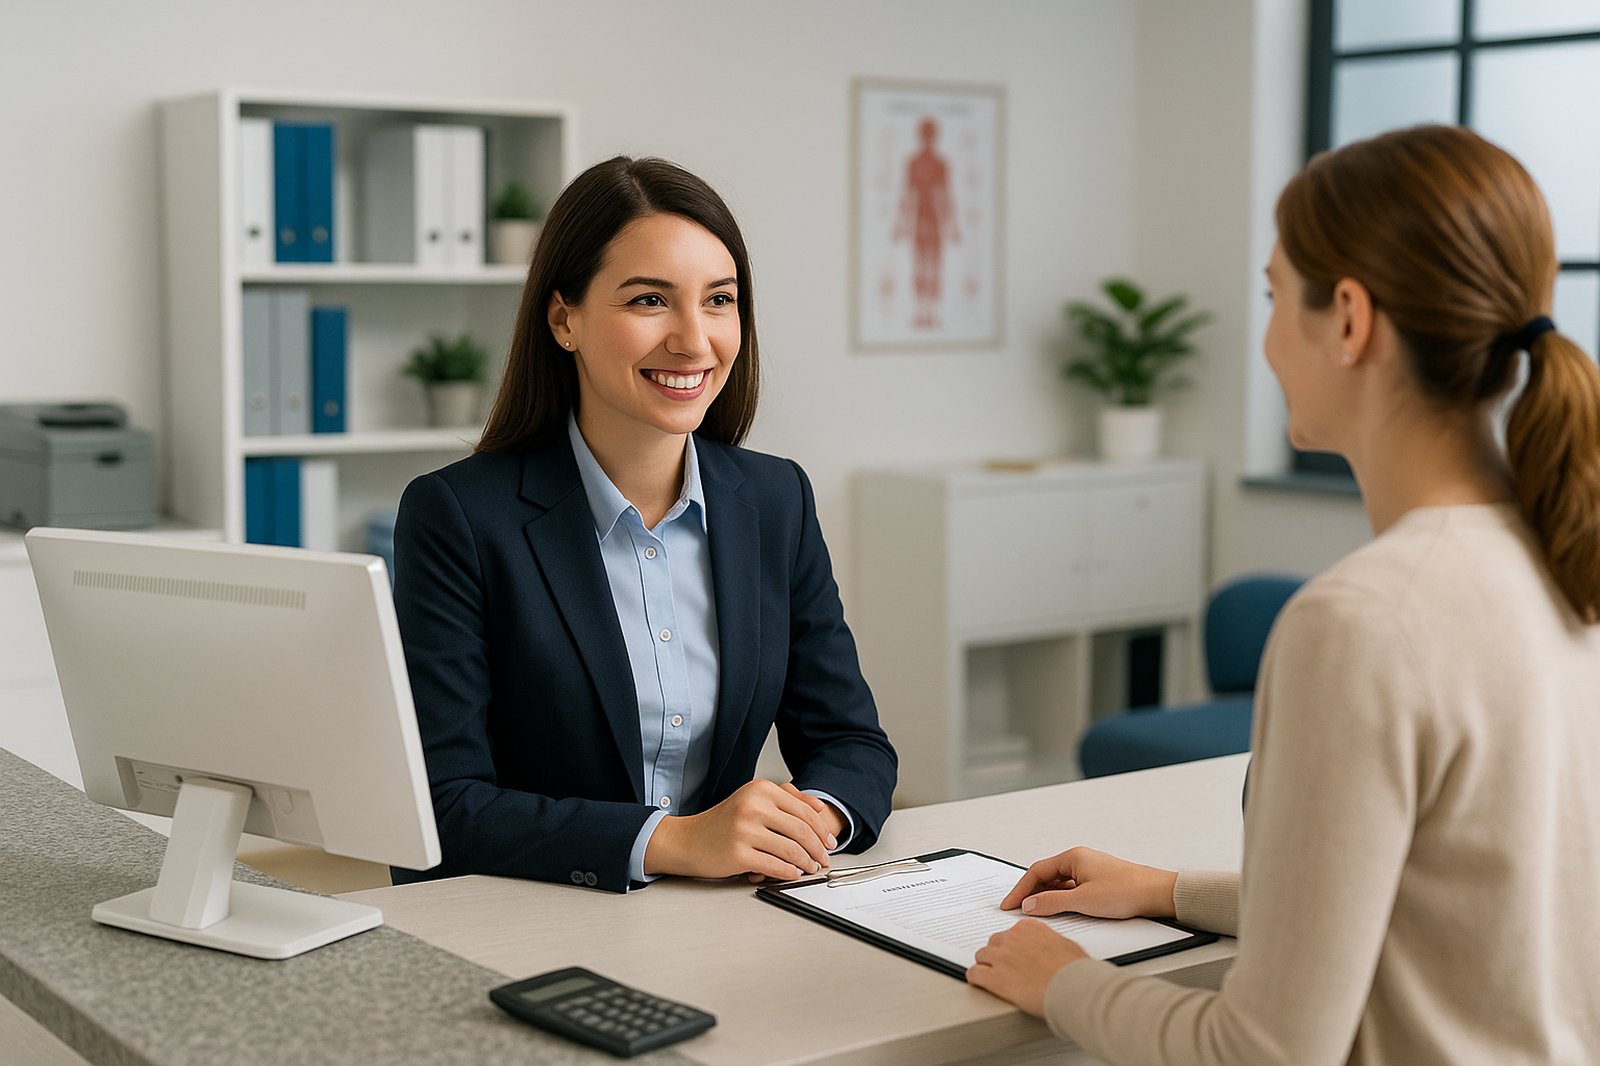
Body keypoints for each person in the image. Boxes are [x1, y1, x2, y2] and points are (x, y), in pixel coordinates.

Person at [967, 124, 1600, 1062]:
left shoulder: (1361, 622)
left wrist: (1064, 983)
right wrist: (1168, 889)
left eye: (1274, 296)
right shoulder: (1564, 559)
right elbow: (1443, 901)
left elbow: (1262, 1050)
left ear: (1348, 318)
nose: (1265, 337)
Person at [390, 156, 897, 893]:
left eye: (719, 300)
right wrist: (673, 841)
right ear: (565, 319)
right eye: (651, 300)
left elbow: (850, 741)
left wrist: (808, 821)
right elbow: (443, 803)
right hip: (533, 913)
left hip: (723, 915)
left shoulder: (775, 498)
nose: (695, 340)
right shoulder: (459, 517)